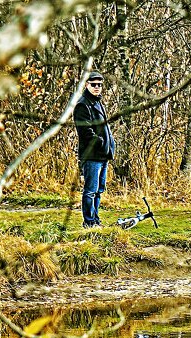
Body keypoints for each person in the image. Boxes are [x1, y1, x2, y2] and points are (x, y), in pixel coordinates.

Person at [74, 71, 116, 228]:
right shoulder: (82, 105)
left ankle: (95, 219)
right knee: (90, 191)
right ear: (87, 85)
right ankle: (89, 222)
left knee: (99, 190)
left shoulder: (97, 102)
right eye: (94, 84)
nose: (97, 87)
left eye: (99, 84)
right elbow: (85, 132)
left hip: (102, 155)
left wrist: (110, 143)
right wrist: (102, 143)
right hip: (91, 155)